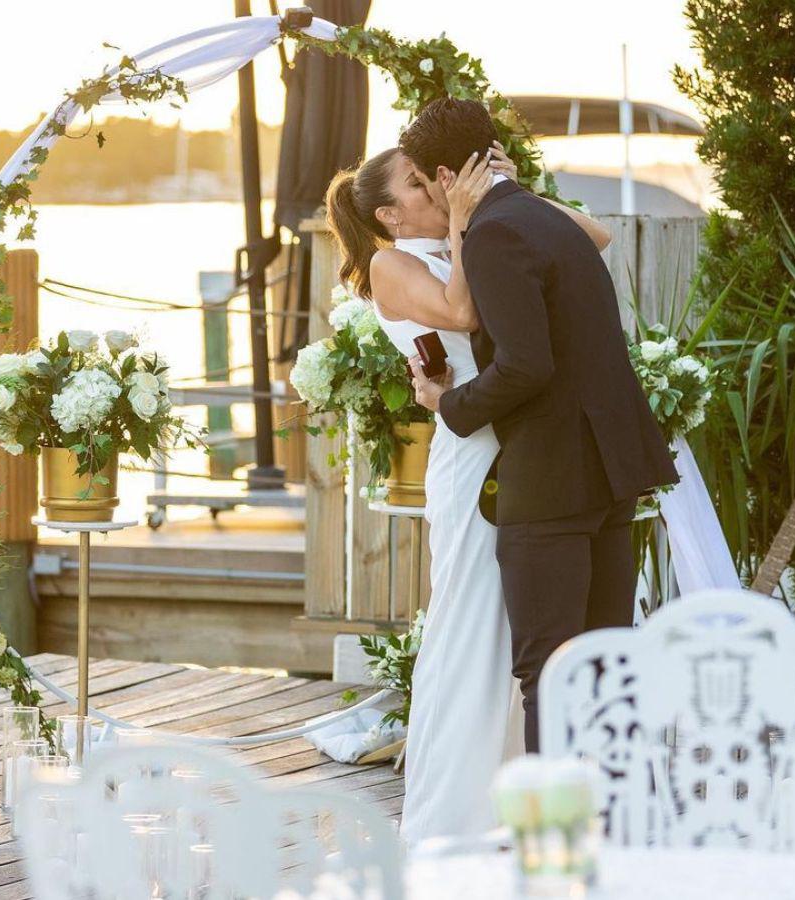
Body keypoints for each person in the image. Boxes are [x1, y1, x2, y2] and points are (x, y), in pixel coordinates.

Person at [324, 143, 611, 844]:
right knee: (474, 624)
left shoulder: (484, 230)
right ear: (389, 213)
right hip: (470, 451)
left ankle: (527, 800)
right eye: (421, 185)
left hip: (525, 447)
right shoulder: (392, 265)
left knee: (529, 630)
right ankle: (456, 819)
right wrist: (464, 218)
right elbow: (462, 314)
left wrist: (511, 190)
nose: (440, 187)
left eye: (440, 177)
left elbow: (595, 238)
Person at [402, 97, 679, 753]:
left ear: (445, 176)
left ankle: (553, 841)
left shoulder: (494, 234)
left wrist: (449, 405)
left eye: (420, 181)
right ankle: (606, 825)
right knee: (604, 665)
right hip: (609, 473)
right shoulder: (552, 222)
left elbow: (527, 366)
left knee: (549, 672)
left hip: (552, 481)